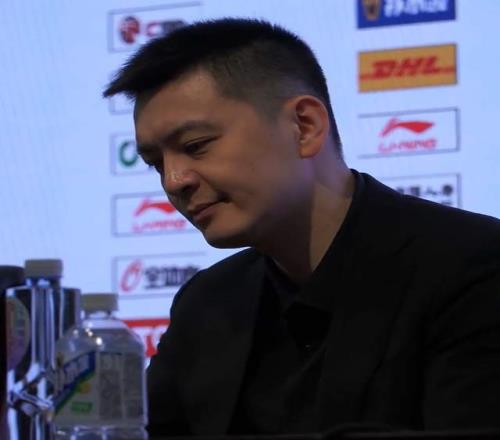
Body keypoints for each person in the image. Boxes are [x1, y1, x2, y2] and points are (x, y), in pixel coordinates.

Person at [104, 18, 500, 436]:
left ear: (305, 126)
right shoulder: (207, 302)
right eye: (156, 164)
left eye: (195, 146)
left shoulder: (473, 268)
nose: (174, 181)